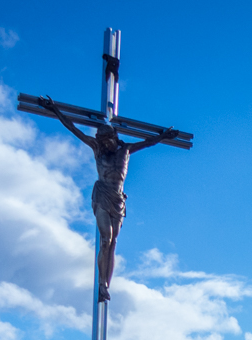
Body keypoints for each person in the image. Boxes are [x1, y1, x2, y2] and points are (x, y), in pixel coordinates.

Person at [38, 95, 179, 301]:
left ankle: (107, 285)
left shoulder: (126, 150)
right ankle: (101, 284)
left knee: (113, 243)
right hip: (103, 194)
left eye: (108, 139)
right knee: (106, 239)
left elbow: (149, 142)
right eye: (102, 140)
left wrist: (164, 136)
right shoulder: (97, 150)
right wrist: (55, 110)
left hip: (118, 199)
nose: (105, 143)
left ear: (114, 137)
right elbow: (73, 128)